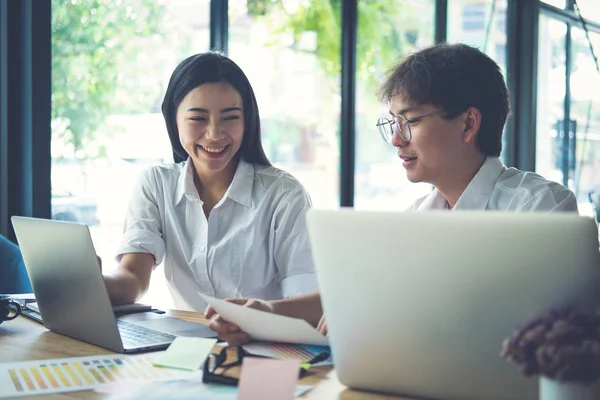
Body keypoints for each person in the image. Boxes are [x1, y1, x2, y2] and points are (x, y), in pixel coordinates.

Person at [206, 43, 579, 344]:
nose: (397, 140)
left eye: (409, 122)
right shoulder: (418, 216)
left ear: (468, 123)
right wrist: (267, 312)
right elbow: (356, 291)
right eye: (393, 123)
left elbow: (539, 337)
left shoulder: (539, 210)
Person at [102, 52, 318, 311]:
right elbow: (133, 277)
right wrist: (91, 283)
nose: (215, 134)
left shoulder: (283, 194)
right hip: (184, 346)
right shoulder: (156, 184)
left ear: (246, 120)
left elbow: (310, 300)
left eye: (230, 117)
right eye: (198, 118)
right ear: (174, 120)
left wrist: (262, 314)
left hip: (263, 344)